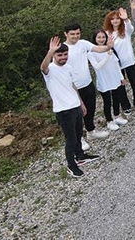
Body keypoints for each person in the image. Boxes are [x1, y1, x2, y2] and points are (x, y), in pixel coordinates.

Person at [41, 37, 100, 178]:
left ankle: (80, 156)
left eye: (65, 54)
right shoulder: (50, 70)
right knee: (71, 139)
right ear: (54, 56)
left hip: (75, 106)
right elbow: (43, 67)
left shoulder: (68, 67)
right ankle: (71, 165)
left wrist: (81, 103)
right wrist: (50, 51)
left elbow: (72, 85)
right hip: (63, 111)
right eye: (59, 55)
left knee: (79, 134)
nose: (63, 57)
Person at [62, 23, 112, 142]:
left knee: (90, 109)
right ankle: (79, 138)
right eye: (72, 34)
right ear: (66, 34)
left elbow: (97, 48)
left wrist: (108, 47)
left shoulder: (83, 43)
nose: (75, 36)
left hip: (87, 83)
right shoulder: (62, 49)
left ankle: (91, 131)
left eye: (78, 33)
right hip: (73, 87)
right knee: (77, 114)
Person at [88, 30, 130, 132]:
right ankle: (109, 121)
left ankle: (116, 115)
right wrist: (107, 55)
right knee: (107, 101)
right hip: (104, 80)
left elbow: (116, 63)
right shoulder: (91, 52)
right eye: (99, 37)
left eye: (103, 37)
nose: (101, 39)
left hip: (114, 77)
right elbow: (97, 67)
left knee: (116, 97)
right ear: (94, 39)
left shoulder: (110, 48)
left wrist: (121, 77)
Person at [102, 8, 135, 111]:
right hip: (116, 65)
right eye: (112, 19)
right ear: (109, 21)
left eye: (117, 19)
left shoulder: (125, 30)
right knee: (120, 87)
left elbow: (130, 28)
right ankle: (125, 106)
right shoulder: (106, 33)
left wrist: (126, 19)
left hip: (130, 61)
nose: (115, 21)